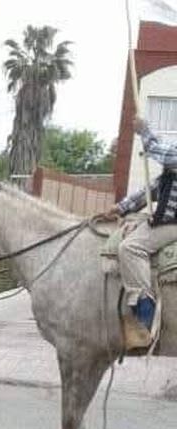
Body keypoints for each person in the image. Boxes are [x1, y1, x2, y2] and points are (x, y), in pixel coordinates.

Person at [99, 116, 177, 347]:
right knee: (128, 225)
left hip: (173, 224)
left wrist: (144, 131)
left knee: (131, 247)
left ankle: (145, 316)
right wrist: (120, 208)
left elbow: (162, 152)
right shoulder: (171, 172)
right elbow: (149, 191)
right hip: (166, 220)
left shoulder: (173, 158)